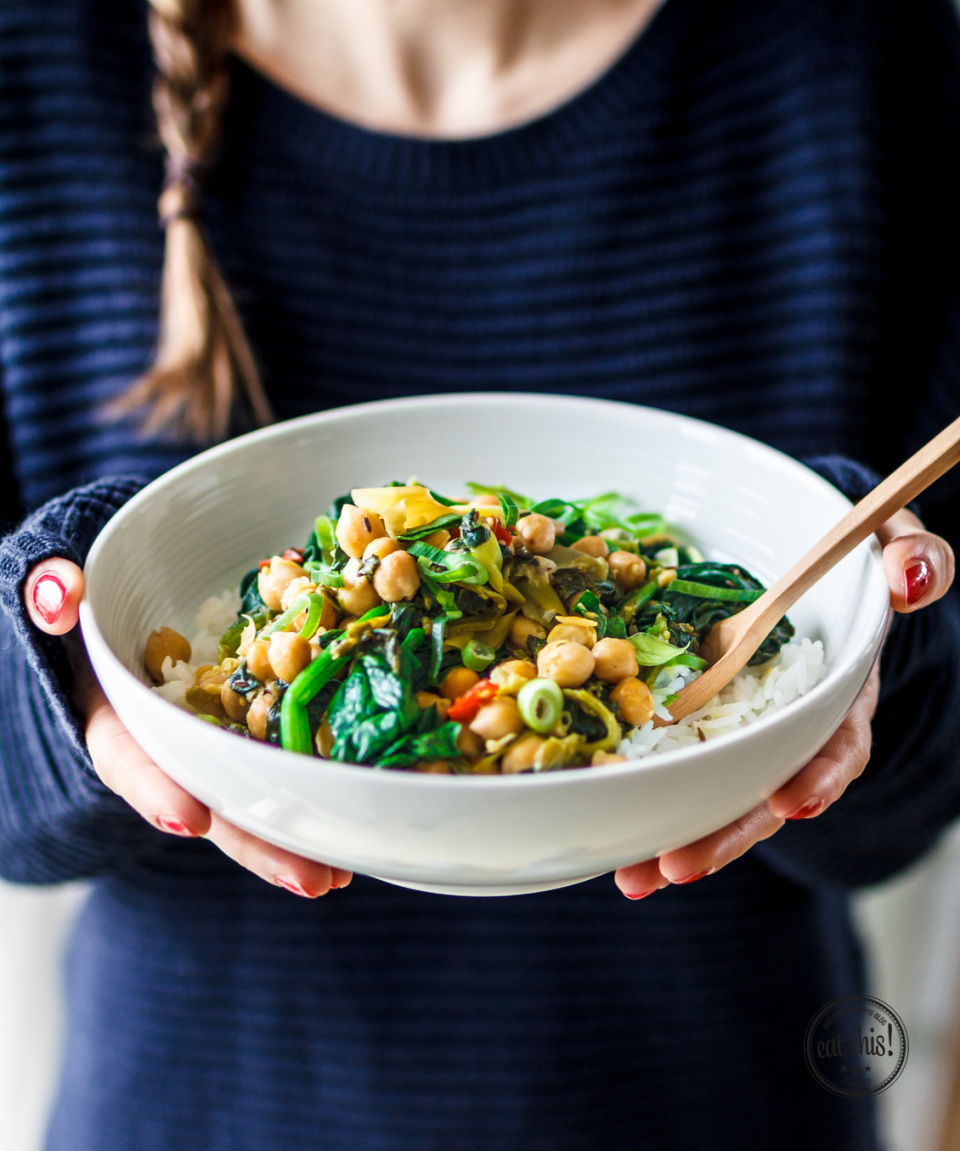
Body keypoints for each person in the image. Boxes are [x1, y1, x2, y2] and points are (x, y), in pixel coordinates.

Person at [1, 0, 959, 1147]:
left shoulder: (868, 57)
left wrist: (852, 628)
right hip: (205, 1109)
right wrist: (71, 659)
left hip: (715, 1102)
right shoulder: (39, 60)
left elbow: (909, 808)